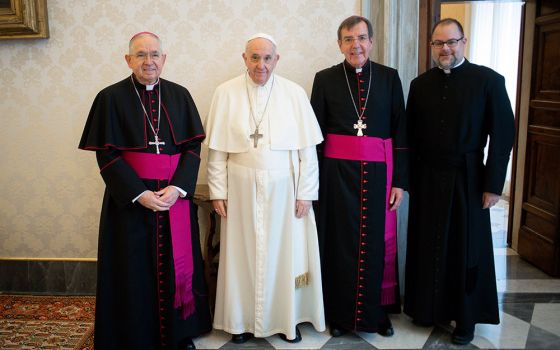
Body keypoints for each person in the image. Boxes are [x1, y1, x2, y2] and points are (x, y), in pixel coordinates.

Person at [78, 32, 211, 350]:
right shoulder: (110, 98)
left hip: (173, 199)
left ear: (164, 59)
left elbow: (192, 147)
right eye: (140, 55)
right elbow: (106, 154)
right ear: (128, 60)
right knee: (132, 270)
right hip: (131, 204)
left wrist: (178, 188)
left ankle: (179, 335)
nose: (148, 61)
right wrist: (140, 194)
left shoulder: (180, 95)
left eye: (154, 54)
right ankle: (133, 336)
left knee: (178, 267)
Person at [204, 33, 326, 344]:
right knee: (241, 255)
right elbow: (217, 151)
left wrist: (306, 192)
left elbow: (307, 152)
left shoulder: (294, 94)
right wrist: (218, 191)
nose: (262, 64)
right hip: (240, 190)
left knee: (287, 255)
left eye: (267, 58)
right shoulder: (225, 92)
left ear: (277, 59)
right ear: (244, 58)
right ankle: (241, 322)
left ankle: (287, 319)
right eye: (255, 57)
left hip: (286, 190)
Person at [404, 18, 515, 345]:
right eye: (439, 43)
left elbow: (503, 134)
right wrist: (407, 179)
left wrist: (493, 184)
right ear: (431, 47)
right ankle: (428, 309)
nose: (445, 49)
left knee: (466, 248)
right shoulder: (419, 84)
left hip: (468, 177)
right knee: (427, 243)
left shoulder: (488, 81)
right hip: (427, 176)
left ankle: (465, 319)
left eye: (451, 42)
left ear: (463, 42)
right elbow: (409, 135)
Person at [310, 15, 408, 338]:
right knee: (340, 244)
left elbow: (401, 133)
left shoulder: (390, 78)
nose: (356, 45)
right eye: (349, 39)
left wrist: (400, 181)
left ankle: (377, 314)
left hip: (380, 176)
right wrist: (315, 184)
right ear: (340, 44)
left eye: (362, 38)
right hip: (336, 177)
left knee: (376, 246)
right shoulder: (324, 79)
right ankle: (339, 315)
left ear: (371, 41)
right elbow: (316, 137)